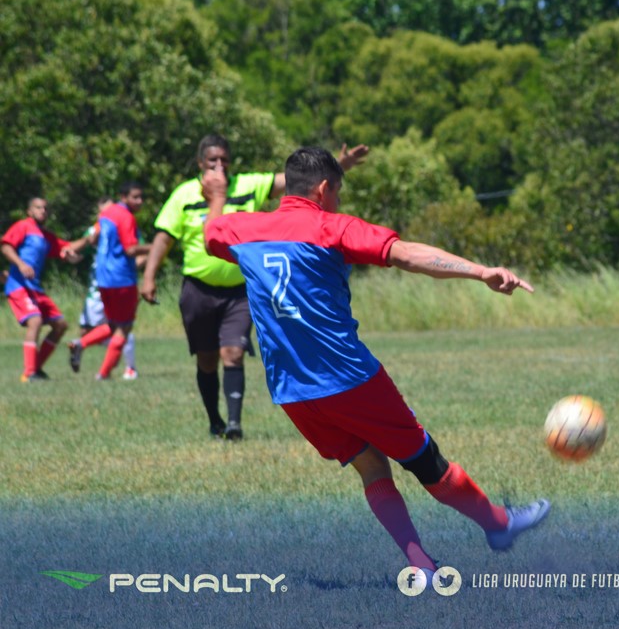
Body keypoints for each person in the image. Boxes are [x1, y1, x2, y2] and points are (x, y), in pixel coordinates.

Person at [202, 146, 550, 573]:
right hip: (348, 378)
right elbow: (407, 255)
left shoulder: (241, 228)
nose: (338, 201)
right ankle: (499, 525)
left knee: (370, 466)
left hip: (292, 390)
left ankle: (421, 567)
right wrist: (480, 271)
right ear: (324, 189)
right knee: (425, 461)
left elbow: (210, 232)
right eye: (338, 193)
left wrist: (217, 196)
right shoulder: (332, 227)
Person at [141, 135, 368, 440]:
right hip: (198, 289)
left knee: (233, 352)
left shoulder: (248, 185)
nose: (219, 165)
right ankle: (215, 421)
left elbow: (300, 179)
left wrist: (341, 165)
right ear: (200, 163)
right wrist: (149, 277)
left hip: (240, 289)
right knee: (206, 359)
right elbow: (164, 238)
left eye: (224, 159)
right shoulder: (183, 195)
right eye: (212, 160)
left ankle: (234, 426)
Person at [67, 182, 151, 379]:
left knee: (113, 324)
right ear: (123, 197)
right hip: (122, 278)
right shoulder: (126, 216)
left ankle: (81, 343)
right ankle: (104, 374)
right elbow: (130, 249)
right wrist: (157, 246)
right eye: (135, 197)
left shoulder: (106, 214)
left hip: (103, 278)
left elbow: (91, 238)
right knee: (124, 327)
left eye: (141, 197)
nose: (139, 201)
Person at [2, 197, 81, 381]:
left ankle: (36, 368)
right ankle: (29, 373)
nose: (43, 211)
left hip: (35, 288)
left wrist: (89, 240)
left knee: (60, 325)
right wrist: (21, 264)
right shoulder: (23, 226)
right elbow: (6, 247)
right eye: (38, 208)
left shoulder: (45, 236)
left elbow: (66, 248)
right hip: (19, 286)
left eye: (45, 208)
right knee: (35, 321)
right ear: (29, 211)